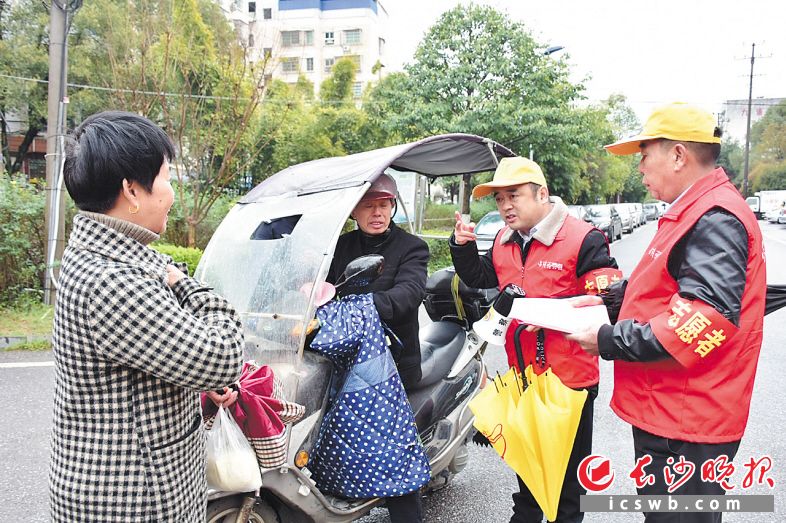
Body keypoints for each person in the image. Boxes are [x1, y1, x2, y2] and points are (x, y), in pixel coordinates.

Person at [568, 102, 766, 523]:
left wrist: (607, 340)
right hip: (674, 410)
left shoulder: (714, 216)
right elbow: (662, 290)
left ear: (678, 155)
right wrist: (607, 303)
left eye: (644, 155)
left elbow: (704, 319)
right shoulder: (694, 210)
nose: (639, 168)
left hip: (688, 419)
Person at [49, 111, 245, 522]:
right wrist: (184, 283)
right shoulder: (114, 281)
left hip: (121, 486)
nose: (172, 192)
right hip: (135, 502)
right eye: (166, 177)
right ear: (132, 191)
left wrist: (196, 387)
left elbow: (140, 367)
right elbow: (224, 355)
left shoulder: (103, 258)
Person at [450, 156, 620, 523]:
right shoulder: (502, 240)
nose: (505, 206)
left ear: (542, 193)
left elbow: (605, 302)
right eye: (499, 199)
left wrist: (547, 313)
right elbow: (483, 276)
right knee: (528, 478)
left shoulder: (583, 238)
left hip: (569, 384)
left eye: (514, 195)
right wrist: (461, 246)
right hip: (524, 379)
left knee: (567, 491)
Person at [326, 172, 429, 523]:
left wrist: (361, 306)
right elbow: (324, 287)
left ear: (393, 207)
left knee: (392, 448)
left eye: (384, 205)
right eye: (369, 205)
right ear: (354, 210)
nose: (377, 213)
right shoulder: (340, 247)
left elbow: (409, 294)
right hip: (344, 360)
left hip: (393, 365)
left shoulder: (412, 247)